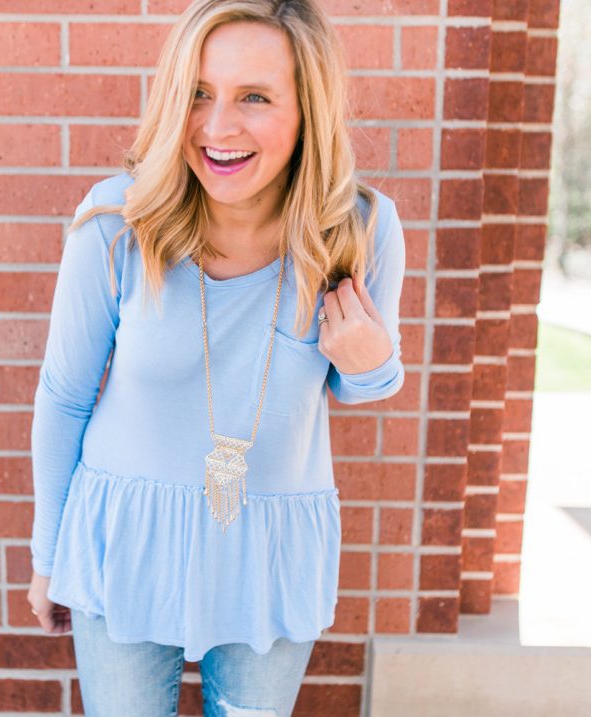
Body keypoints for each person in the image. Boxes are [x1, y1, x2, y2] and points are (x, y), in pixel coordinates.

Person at [26, 1, 405, 714]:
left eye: (254, 98)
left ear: (308, 110)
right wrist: (47, 558)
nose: (217, 126)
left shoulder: (360, 226)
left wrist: (372, 357)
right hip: (124, 537)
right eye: (198, 93)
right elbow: (64, 396)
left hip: (271, 543)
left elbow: (358, 387)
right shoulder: (117, 223)